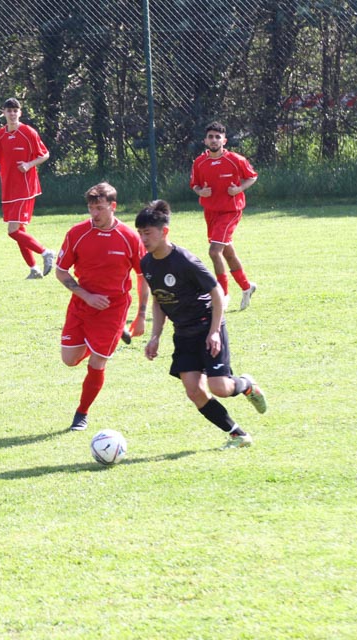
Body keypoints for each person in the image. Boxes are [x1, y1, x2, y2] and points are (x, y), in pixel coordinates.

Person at [135, 199, 267, 449]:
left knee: (220, 387)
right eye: (140, 233)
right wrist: (155, 337)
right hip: (183, 334)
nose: (143, 239)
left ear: (164, 232)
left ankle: (246, 384)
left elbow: (217, 293)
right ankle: (238, 435)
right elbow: (159, 299)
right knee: (194, 391)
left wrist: (215, 332)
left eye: (148, 233)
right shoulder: (147, 263)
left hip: (207, 326)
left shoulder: (185, 260)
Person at [55, 182, 148, 432]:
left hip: (113, 308)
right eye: (91, 208)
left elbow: (143, 277)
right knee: (69, 360)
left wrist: (141, 315)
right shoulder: (77, 233)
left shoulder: (129, 237)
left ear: (113, 206)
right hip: (81, 303)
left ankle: (81, 413)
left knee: (98, 361)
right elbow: (61, 271)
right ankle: (108, 340)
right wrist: (86, 296)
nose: (94, 214)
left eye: (99, 208)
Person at [0, 98, 56, 280]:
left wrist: (29, 164)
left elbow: (45, 154)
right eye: (9, 110)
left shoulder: (28, 132)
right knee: (19, 232)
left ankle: (46, 252)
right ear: (4, 113)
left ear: (20, 113)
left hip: (25, 188)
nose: (12, 114)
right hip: (8, 189)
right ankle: (34, 269)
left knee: (13, 231)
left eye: (15, 110)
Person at [190, 121, 259, 310]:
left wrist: (239, 189)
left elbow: (252, 176)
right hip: (211, 212)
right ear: (205, 141)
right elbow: (195, 185)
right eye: (210, 137)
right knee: (227, 252)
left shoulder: (235, 159)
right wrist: (200, 192)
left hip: (230, 211)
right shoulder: (199, 162)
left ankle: (223, 294)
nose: (214, 140)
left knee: (214, 252)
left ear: (224, 140)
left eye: (217, 137)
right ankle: (246, 286)